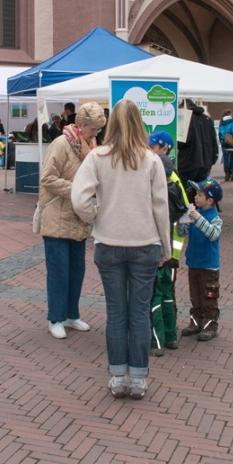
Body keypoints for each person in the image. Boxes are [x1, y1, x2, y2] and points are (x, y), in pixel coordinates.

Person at [71, 100, 170, 400]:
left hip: (109, 244)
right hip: (145, 244)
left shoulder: (98, 158)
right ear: (141, 124)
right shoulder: (152, 161)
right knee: (139, 312)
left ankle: (117, 376)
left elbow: (79, 199)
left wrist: (95, 215)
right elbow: (160, 207)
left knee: (116, 312)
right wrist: (166, 245)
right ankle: (138, 378)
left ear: (110, 123)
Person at [39, 102, 106, 340]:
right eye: (94, 129)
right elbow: (47, 178)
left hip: (78, 219)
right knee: (58, 272)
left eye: (98, 129)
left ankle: (71, 315)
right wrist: (77, 190)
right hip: (57, 218)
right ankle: (55, 318)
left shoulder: (91, 146)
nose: (96, 134)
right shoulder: (61, 144)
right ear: (81, 125)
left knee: (76, 271)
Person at [147, 131, 188, 356]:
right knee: (167, 294)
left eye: (152, 147)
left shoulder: (165, 181)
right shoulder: (174, 178)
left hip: (162, 251)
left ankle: (158, 340)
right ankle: (171, 336)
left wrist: (171, 253)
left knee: (157, 295)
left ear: (163, 148)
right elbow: (184, 214)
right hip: (171, 250)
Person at [177, 178, 223, 342]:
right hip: (194, 263)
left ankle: (210, 326)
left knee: (209, 297)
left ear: (210, 200)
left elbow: (213, 234)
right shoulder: (195, 213)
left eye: (200, 195)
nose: (196, 197)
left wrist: (198, 219)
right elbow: (182, 234)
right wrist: (182, 223)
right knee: (195, 295)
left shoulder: (214, 218)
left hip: (208, 266)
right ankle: (196, 322)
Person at [177, 100, 219, 193]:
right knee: (201, 192)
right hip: (205, 162)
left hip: (189, 161)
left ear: (186, 106)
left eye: (179, 107)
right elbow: (214, 142)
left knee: (183, 191)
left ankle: (187, 207)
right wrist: (211, 162)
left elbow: (183, 141)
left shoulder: (186, 118)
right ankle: (198, 207)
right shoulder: (207, 119)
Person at [218, 109, 233, 182]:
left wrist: (221, 141)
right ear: (229, 114)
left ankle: (227, 173)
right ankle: (232, 172)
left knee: (226, 158)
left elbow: (219, 133)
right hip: (231, 141)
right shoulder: (232, 122)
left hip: (224, 141)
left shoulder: (222, 122)